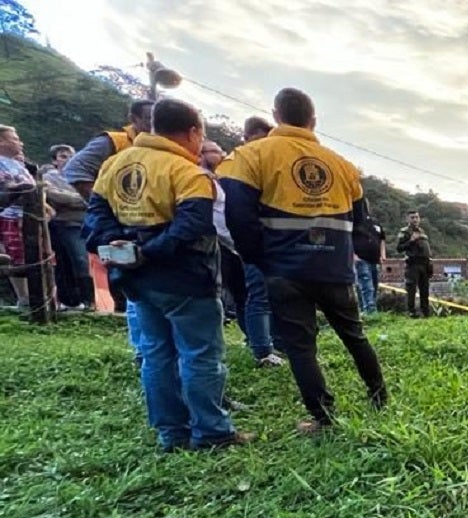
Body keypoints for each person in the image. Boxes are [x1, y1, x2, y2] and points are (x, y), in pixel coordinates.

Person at [81, 98, 249, 451]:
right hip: (186, 278)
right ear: (193, 132)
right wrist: (151, 252)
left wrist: (123, 247)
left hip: (135, 280)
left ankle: (171, 433)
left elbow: (94, 219)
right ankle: (212, 432)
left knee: (156, 353)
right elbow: (194, 225)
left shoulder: (113, 165)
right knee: (200, 354)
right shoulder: (188, 172)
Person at [220, 87, 386, 433]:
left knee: (300, 346)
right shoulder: (343, 166)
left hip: (284, 268)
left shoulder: (252, 156)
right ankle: (379, 398)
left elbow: (238, 214)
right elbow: (360, 222)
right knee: (354, 334)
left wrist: (256, 257)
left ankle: (324, 418)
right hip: (335, 267)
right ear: (313, 120)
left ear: (276, 115)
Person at [65, 99, 154, 358]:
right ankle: (142, 350)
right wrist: (104, 206)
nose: (153, 124)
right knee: (133, 285)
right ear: (134, 118)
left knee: (145, 284)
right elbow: (75, 169)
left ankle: (148, 350)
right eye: (149, 118)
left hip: (146, 224)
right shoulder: (113, 142)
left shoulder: (158, 146)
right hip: (119, 227)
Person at [203, 139, 283, 367]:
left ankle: (261, 342)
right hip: (230, 245)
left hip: (236, 245)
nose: (221, 155)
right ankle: (263, 349)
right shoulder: (204, 179)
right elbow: (219, 220)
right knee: (254, 296)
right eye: (215, 151)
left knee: (247, 295)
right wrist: (243, 244)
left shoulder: (221, 180)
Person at [41, 144, 95, 311]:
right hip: (64, 224)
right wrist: (81, 198)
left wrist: (77, 199)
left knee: (85, 261)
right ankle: (80, 300)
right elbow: (55, 196)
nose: (68, 159)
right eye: (63, 156)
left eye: (71, 155)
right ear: (55, 160)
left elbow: (93, 196)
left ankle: (88, 300)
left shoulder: (81, 176)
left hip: (85, 223)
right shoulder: (49, 177)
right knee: (74, 260)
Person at [0, 125, 36, 307]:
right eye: (14, 138)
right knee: (14, 256)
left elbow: (32, 185)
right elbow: (8, 186)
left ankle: (36, 297)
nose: (19, 142)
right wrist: (19, 189)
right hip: (8, 215)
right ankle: (24, 298)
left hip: (28, 216)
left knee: (30, 255)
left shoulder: (17, 163)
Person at [396, 210, 431, 317]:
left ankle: (425, 312)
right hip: (413, 264)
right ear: (407, 219)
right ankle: (411, 312)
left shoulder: (422, 231)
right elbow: (399, 248)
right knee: (411, 289)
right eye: (412, 217)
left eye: (417, 217)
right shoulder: (405, 231)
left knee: (425, 289)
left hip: (425, 264)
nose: (415, 219)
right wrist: (411, 240)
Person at [353, 207, 383, 315]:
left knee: (374, 286)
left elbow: (381, 239)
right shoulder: (353, 221)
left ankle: (365, 311)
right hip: (361, 258)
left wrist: (382, 255)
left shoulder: (374, 222)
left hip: (375, 259)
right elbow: (346, 238)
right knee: (367, 286)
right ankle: (370, 312)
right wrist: (353, 255)